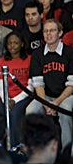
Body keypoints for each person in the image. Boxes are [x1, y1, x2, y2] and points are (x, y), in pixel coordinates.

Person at [26, 19, 73, 151]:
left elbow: (72, 84)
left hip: (66, 96)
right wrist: (46, 104)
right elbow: (38, 83)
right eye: (45, 31)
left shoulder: (70, 53)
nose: (48, 34)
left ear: (60, 33)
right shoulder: (37, 54)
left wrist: (57, 103)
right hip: (45, 96)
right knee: (31, 111)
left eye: (52, 30)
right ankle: (35, 149)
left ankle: (67, 151)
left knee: (65, 110)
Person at [0, 31, 32, 147]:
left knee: (15, 113)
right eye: (9, 43)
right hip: (5, 96)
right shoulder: (2, 61)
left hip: (23, 96)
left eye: (16, 43)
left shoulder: (29, 59)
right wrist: (6, 100)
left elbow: (31, 86)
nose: (12, 46)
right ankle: (0, 145)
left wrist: (15, 100)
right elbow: (0, 83)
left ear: (22, 44)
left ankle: (15, 146)